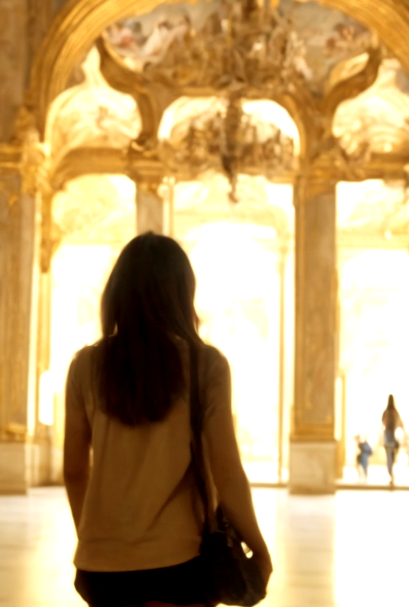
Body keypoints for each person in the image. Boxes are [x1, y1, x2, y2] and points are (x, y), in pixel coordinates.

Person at [64, 233, 273, 607]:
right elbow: (227, 471)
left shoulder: (85, 366)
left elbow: (74, 471)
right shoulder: (205, 364)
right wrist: (258, 547)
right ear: (182, 293)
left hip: (99, 569)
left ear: (116, 294)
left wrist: (95, 538)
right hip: (179, 563)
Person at [380, 395, 406, 489]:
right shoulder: (395, 412)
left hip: (387, 437)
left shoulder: (386, 412)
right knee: (392, 457)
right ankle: (391, 475)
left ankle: (391, 474)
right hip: (392, 437)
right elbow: (401, 424)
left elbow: (383, 423)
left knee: (389, 458)